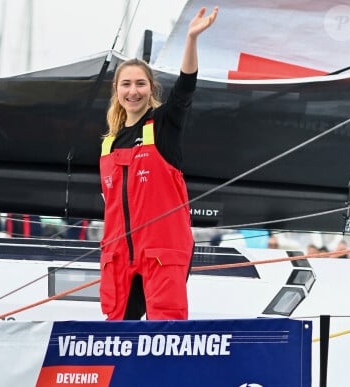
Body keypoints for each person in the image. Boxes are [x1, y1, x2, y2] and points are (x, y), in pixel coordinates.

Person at [98, 6, 218, 321]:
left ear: (151, 88)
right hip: (120, 257)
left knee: (165, 333)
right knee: (117, 338)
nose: (133, 91)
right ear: (117, 91)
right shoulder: (109, 143)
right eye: (126, 84)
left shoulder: (163, 126)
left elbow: (185, 88)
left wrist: (191, 38)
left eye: (140, 84)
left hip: (161, 254)